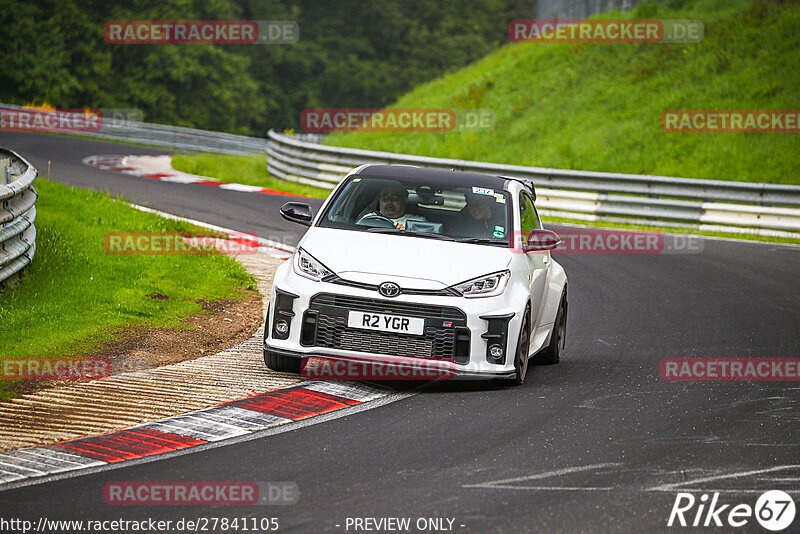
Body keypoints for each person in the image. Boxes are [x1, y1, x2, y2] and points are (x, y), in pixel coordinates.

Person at [358, 183, 426, 230]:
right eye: (385, 198)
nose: (389, 202)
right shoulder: (368, 219)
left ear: (404, 200)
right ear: (379, 200)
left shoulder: (418, 222)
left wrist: (405, 233)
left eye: (395, 198)